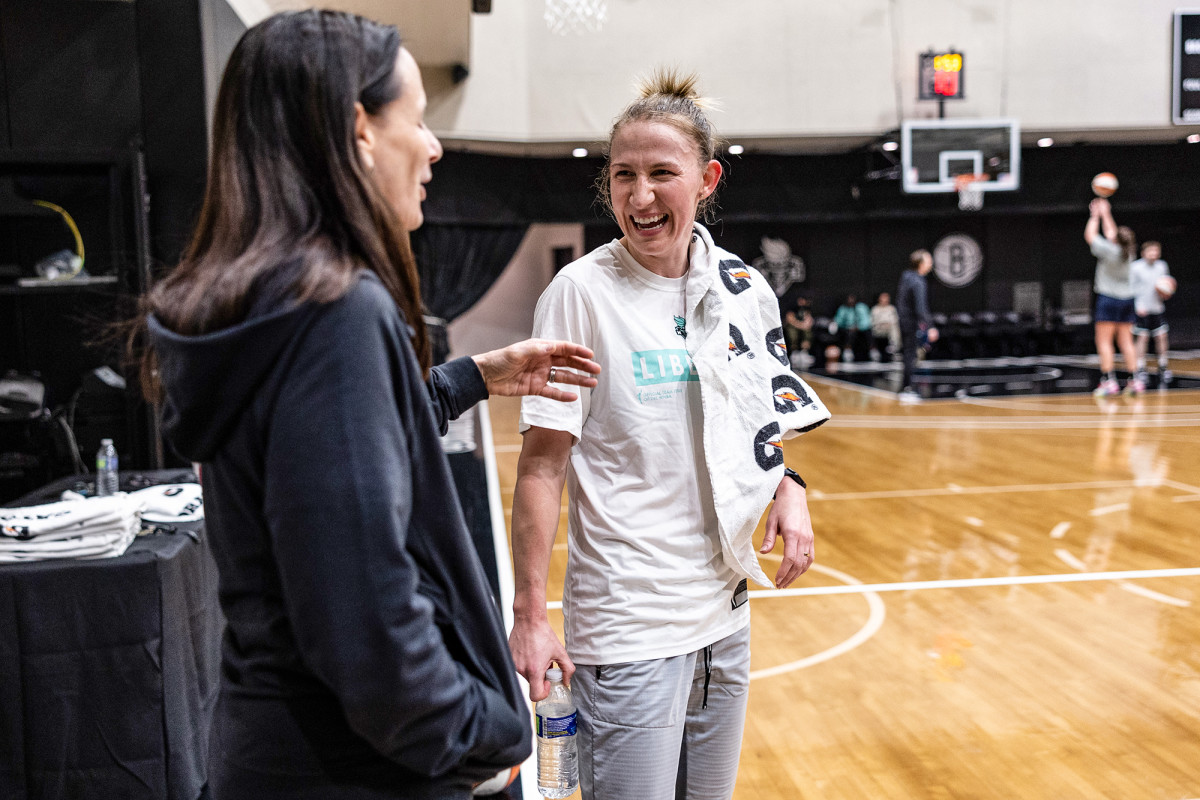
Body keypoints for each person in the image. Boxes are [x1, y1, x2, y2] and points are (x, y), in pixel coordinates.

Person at [132, 12, 601, 799]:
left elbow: (325, 456)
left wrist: (467, 378)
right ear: (359, 130)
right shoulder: (335, 314)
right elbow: (365, 624)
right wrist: (477, 736)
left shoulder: (267, 304)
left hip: (274, 754)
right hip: (358, 771)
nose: (434, 147)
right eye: (416, 120)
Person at [507, 70, 830, 800]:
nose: (640, 196)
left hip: (725, 618)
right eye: (623, 175)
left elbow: (751, 418)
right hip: (629, 629)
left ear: (706, 180)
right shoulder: (580, 296)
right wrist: (530, 616)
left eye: (661, 173)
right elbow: (541, 468)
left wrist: (787, 484)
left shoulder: (743, 288)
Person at [1084, 197, 1141, 396]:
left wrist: (1095, 216)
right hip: (1128, 300)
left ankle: (1109, 381)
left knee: (1104, 342)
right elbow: (1112, 233)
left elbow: (1090, 235)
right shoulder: (1129, 252)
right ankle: (1134, 380)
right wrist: (1106, 213)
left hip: (1108, 299)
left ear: (1115, 239)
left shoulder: (1108, 251)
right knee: (1126, 341)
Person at [896, 249, 939, 401]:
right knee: (910, 355)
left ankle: (905, 386)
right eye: (928, 261)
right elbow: (921, 308)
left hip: (903, 320)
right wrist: (930, 327)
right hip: (910, 322)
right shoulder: (918, 281)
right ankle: (907, 388)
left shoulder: (906, 277)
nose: (930, 264)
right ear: (920, 263)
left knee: (908, 354)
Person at [1130, 240, 1172, 386]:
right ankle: (1140, 367)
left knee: (1162, 336)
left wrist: (1166, 292)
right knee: (1142, 337)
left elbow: (1166, 285)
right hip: (1142, 308)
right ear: (1143, 253)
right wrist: (1136, 305)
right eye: (1151, 251)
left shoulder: (1162, 266)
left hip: (1157, 308)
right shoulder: (1135, 267)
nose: (1153, 254)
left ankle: (1163, 366)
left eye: (1156, 251)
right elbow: (1131, 288)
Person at [832, 293, 870, 361]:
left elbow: (866, 321)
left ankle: (873, 351)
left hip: (861, 329)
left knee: (869, 332)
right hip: (847, 329)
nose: (851, 302)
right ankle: (847, 351)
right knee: (849, 333)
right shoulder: (843, 308)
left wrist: (858, 327)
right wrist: (848, 327)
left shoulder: (861, 307)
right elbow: (838, 321)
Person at [783, 295, 814, 366]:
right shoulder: (792, 306)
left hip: (802, 326)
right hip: (793, 326)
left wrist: (805, 325)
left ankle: (804, 352)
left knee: (808, 332)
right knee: (792, 332)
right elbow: (790, 320)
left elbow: (808, 319)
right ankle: (794, 352)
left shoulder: (806, 308)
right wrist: (801, 326)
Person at [869, 291, 900, 362]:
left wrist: (888, 324)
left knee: (895, 327)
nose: (885, 299)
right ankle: (874, 349)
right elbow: (872, 321)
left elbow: (895, 319)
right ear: (879, 299)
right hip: (878, 328)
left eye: (887, 298)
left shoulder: (891, 308)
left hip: (889, 328)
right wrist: (881, 324)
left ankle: (893, 346)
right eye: (883, 297)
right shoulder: (875, 309)